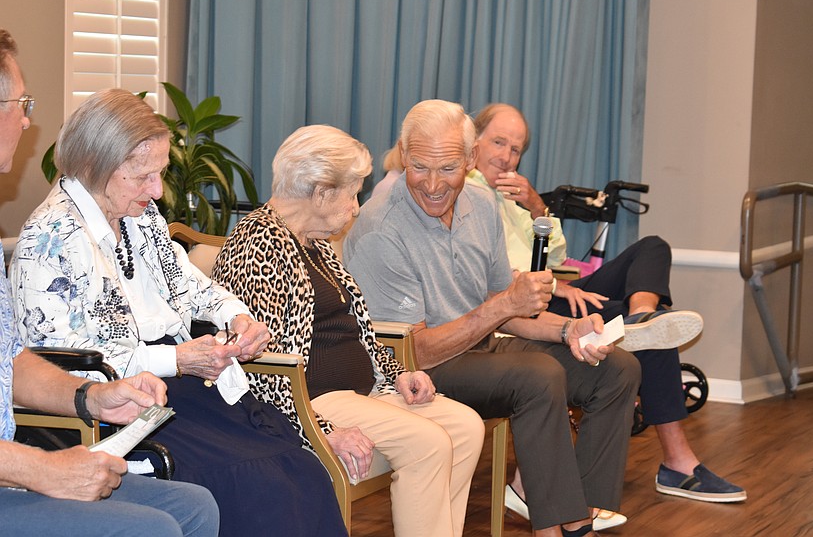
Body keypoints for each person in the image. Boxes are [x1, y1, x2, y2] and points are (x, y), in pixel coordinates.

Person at [9, 87, 347, 536]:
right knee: (257, 483)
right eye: (143, 176)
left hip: (185, 385)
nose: (157, 189)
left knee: (299, 467)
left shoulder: (140, 216)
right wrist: (178, 359)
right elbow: (69, 363)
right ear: (96, 167)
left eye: (160, 173)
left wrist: (235, 316)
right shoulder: (48, 241)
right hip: (127, 399)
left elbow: (192, 287)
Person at [344, 99, 642, 537]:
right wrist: (502, 307)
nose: (431, 184)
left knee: (616, 369)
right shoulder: (380, 230)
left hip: (483, 348)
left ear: (469, 161)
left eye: (447, 168)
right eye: (420, 166)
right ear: (404, 157)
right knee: (537, 375)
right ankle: (554, 527)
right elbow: (414, 350)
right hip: (416, 368)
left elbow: (509, 305)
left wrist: (567, 329)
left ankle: (579, 512)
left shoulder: (481, 205)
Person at [212, 124, 485, 537]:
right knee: (428, 441)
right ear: (321, 192)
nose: (357, 207)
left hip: (361, 392)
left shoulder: (312, 241)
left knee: (465, 426)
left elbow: (356, 329)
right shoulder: (258, 245)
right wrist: (323, 431)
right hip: (314, 402)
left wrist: (398, 376)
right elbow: (259, 368)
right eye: (353, 192)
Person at [0, 27, 219, 537]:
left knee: (195, 507)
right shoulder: (53, 233)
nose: (29, 119)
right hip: (14, 470)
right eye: (21, 102)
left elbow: (11, 362)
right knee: (156, 528)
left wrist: (90, 398)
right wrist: (43, 469)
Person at [468, 102, 746, 503]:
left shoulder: (511, 197)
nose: (507, 156)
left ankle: (640, 316)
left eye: (516, 148)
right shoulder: (466, 194)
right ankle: (677, 462)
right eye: (498, 142)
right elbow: (494, 276)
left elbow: (558, 258)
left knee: (652, 247)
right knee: (653, 340)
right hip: (528, 309)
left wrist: (535, 206)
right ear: (473, 142)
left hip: (556, 290)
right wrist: (558, 286)